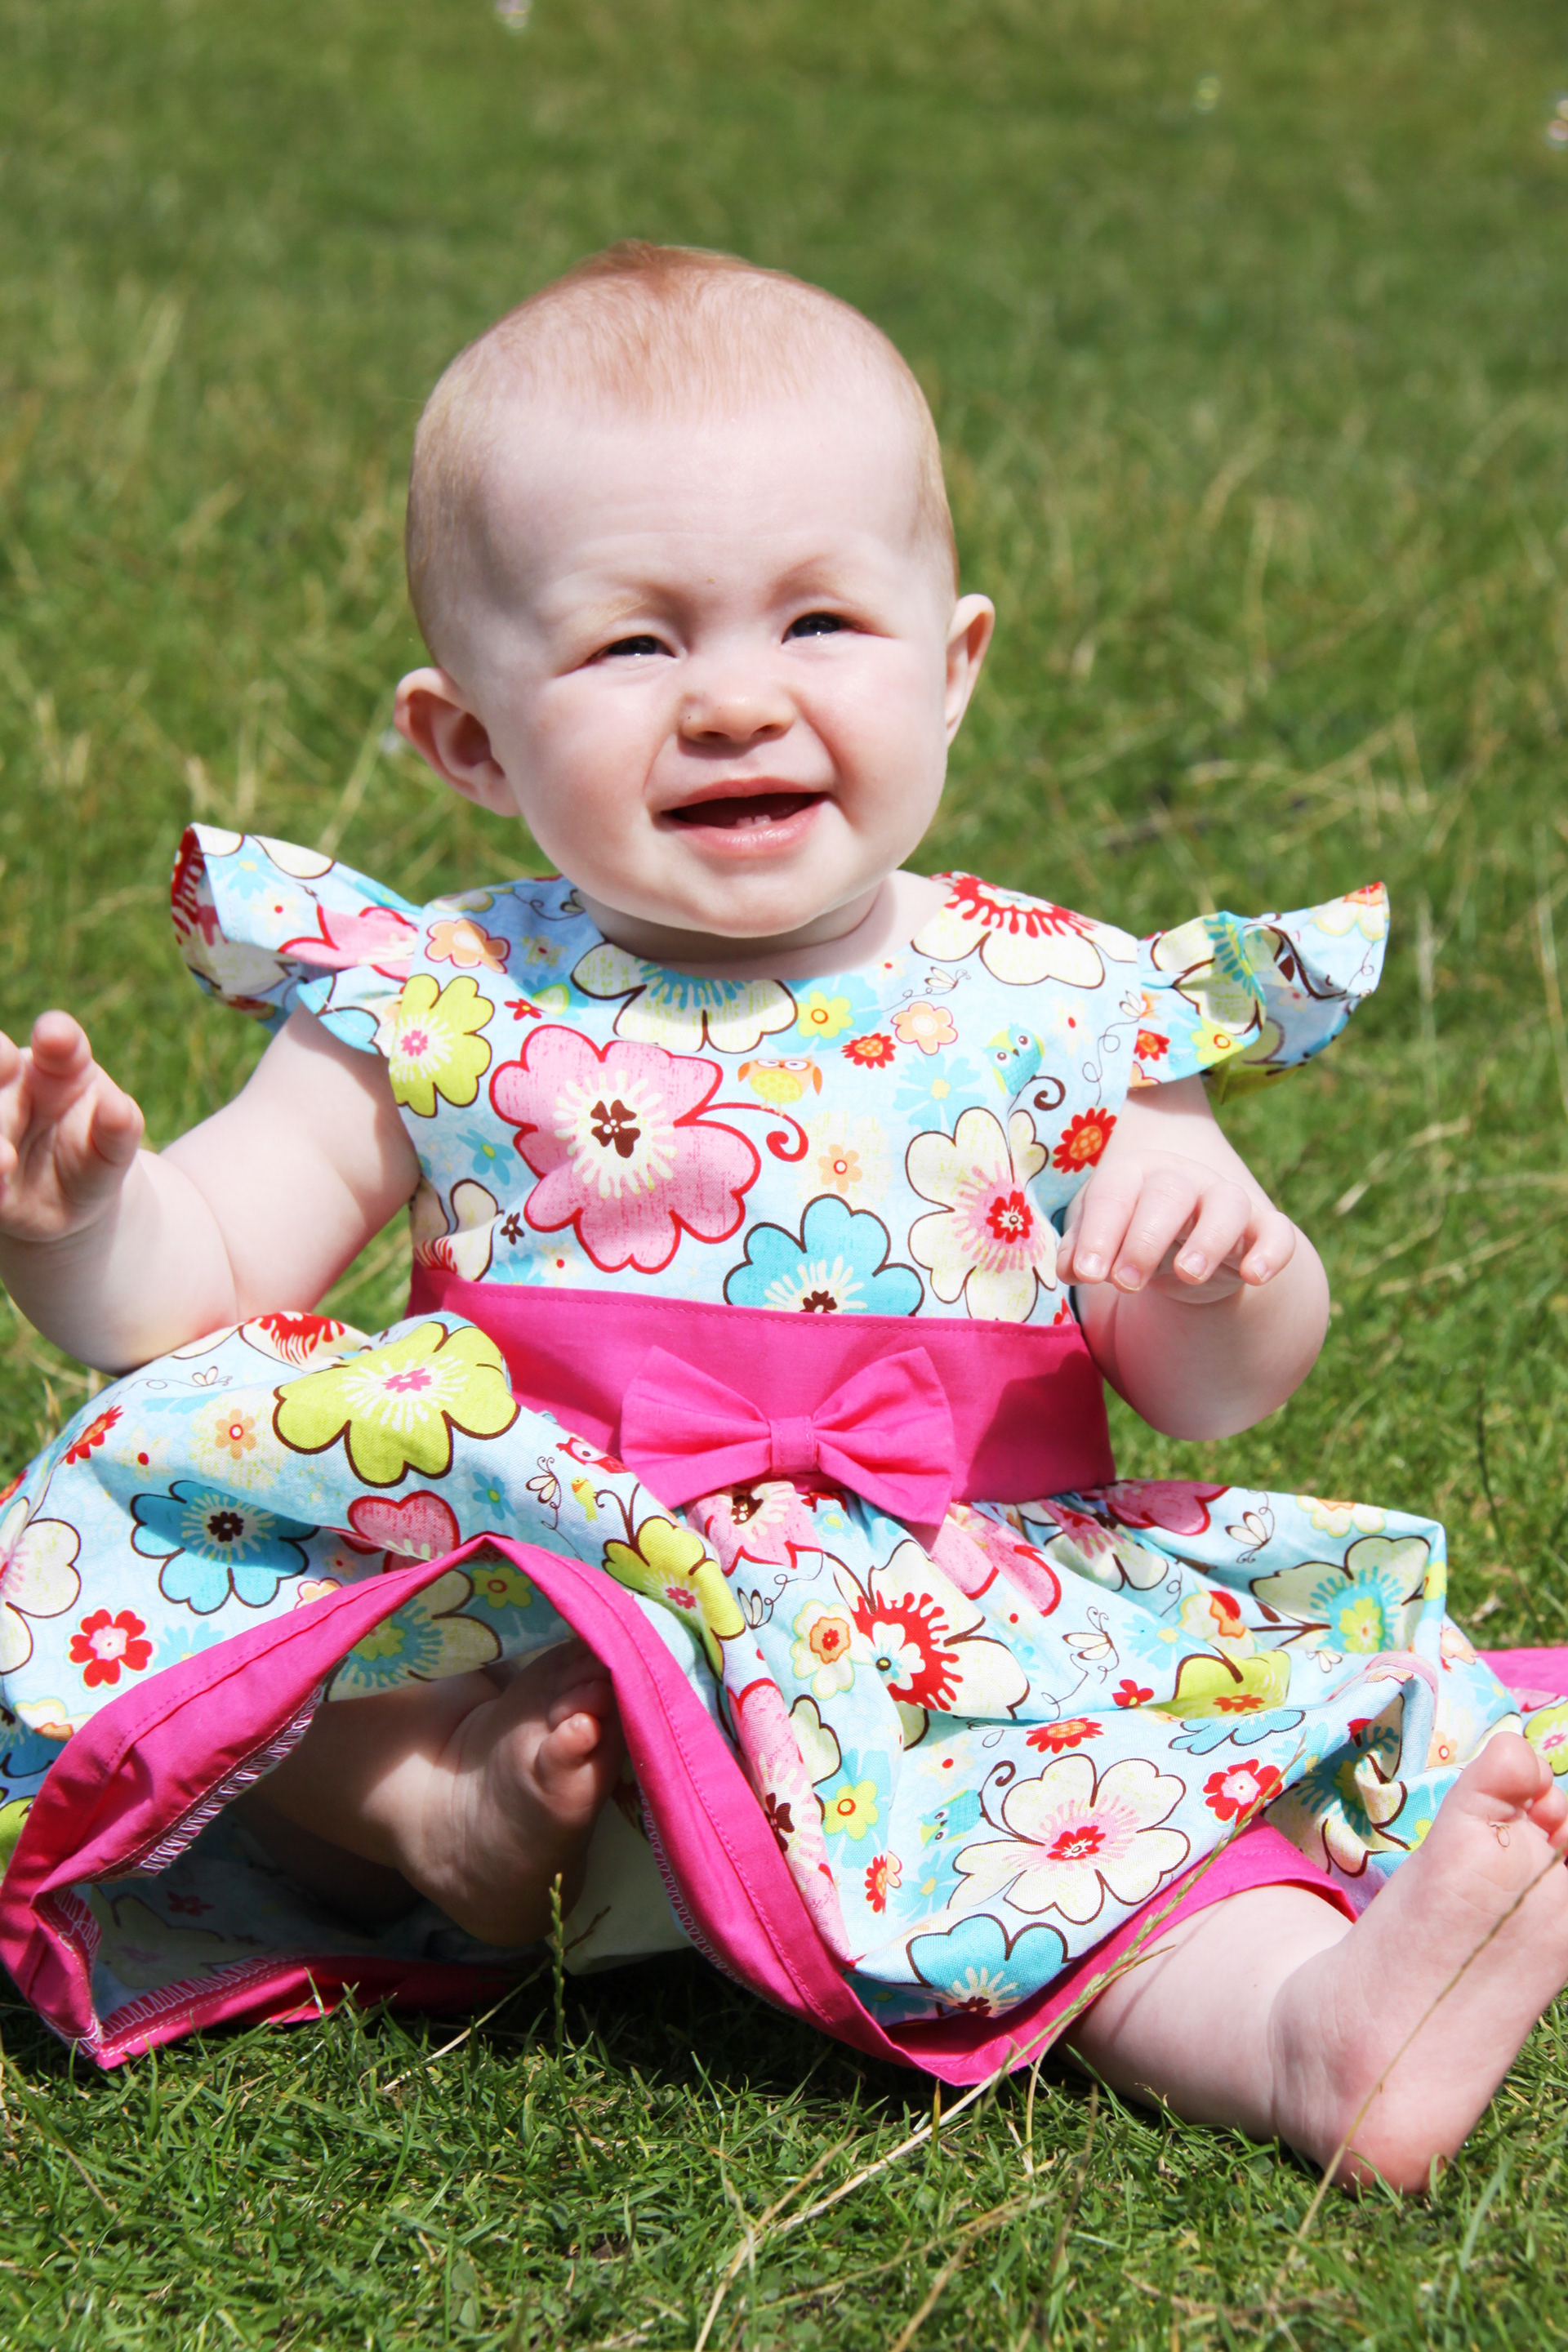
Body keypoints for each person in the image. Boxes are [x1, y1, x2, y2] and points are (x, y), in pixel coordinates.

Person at [1, 243, 1565, 2188]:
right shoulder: (438, 993)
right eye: (633, 646)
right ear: (468, 741)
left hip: (936, 1650)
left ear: (953, 667)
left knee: (1111, 1818)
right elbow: (203, 1289)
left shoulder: (1065, 1004)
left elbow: (1223, 1391)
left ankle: (1307, 2036)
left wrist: (1218, 1275)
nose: (736, 700)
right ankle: (426, 1809)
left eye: (819, 619)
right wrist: (83, 1221)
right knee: (198, 1558)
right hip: (549, 1615)